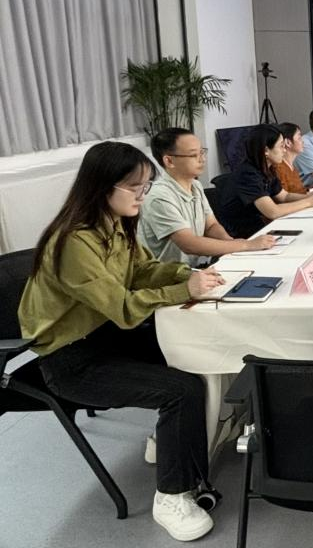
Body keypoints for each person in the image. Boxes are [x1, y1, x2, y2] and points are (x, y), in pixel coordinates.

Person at [18, 141, 225, 541]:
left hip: (106, 338)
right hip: (70, 361)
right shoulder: (74, 241)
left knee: (192, 352)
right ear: (102, 186)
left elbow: (143, 272)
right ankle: (171, 496)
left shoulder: (115, 224)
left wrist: (191, 276)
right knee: (181, 389)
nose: (142, 195)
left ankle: (169, 441)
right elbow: (124, 308)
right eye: (134, 187)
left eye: (145, 186)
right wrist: (186, 290)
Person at [138, 128, 276, 266]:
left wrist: (231, 244)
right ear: (169, 161)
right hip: (168, 275)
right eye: (193, 155)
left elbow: (211, 226)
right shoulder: (159, 197)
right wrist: (245, 245)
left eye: (202, 152)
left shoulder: (195, 186)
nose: (202, 159)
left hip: (193, 269)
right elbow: (189, 244)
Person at [218, 124, 313, 238]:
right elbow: (273, 212)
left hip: (259, 227)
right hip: (241, 235)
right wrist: (309, 202)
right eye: (281, 146)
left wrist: (312, 196)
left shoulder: (268, 168)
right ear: (266, 150)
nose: (284, 150)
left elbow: (284, 196)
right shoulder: (248, 174)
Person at [275, 122, 313, 197]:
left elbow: (296, 191)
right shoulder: (279, 168)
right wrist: (310, 196)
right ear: (288, 142)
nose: (303, 141)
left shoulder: (292, 167)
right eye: (299, 138)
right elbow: (285, 198)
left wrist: (309, 189)